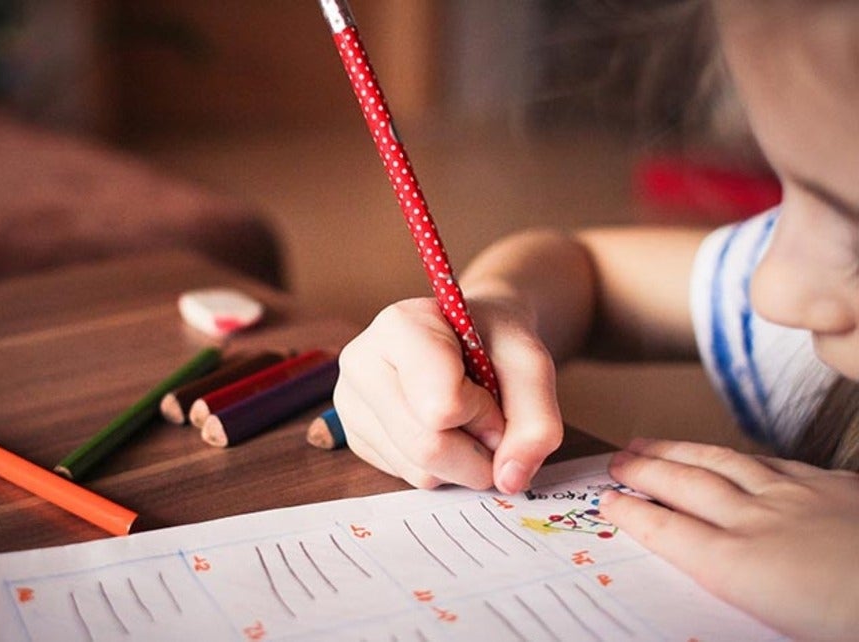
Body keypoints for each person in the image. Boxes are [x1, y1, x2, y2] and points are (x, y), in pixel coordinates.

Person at [332, 0, 859, 639]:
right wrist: (499, 310)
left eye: (854, 232)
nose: (771, 289)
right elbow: (586, 271)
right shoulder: (806, 313)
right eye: (784, 194)